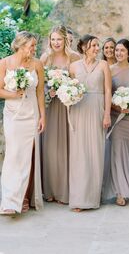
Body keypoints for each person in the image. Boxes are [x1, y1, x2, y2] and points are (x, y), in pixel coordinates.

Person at [0, 31, 46, 215]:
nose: (34, 49)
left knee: (26, 156)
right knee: (13, 153)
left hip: (32, 113)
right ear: (20, 45)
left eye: (35, 45)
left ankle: (21, 199)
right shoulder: (4, 63)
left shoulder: (37, 64)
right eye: (31, 45)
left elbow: (40, 92)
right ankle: (9, 201)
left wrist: (43, 116)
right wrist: (14, 94)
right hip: (12, 114)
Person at [68, 34, 112, 211]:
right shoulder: (73, 66)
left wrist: (107, 114)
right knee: (79, 154)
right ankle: (78, 198)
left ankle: (93, 198)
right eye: (93, 45)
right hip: (78, 110)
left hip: (97, 110)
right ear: (84, 46)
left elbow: (108, 90)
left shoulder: (103, 65)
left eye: (98, 46)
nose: (97, 49)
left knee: (95, 152)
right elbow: (68, 89)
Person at [40, 25, 80, 204]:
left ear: (65, 40)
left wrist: (66, 90)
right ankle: (49, 189)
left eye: (59, 39)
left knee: (66, 147)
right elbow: (39, 86)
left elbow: (79, 83)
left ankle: (64, 191)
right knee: (50, 147)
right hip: (50, 107)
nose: (56, 43)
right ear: (49, 40)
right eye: (53, 39)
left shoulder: (74, 57)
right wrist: (50, 92)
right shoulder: (45, 58)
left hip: (67, 107)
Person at [103, 39, 129, 207]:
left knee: (127, 151)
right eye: (117, 50)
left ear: (128, 52)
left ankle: (128, 184)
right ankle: (121, 191)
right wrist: (116, 107)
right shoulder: (109, 70)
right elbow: (106, 94)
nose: (118, 53)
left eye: (122, 50)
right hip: (116, 117)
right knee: (117, 152)